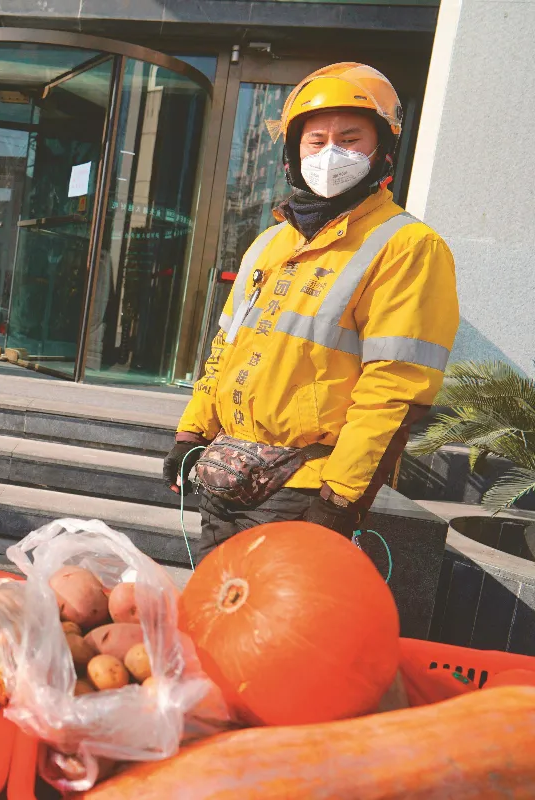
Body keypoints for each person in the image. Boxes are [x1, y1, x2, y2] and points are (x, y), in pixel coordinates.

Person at [162, 63, 459, 560]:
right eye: (315, 140)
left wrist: (342, 496)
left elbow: (395, 389)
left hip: (302, 486)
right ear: (293, 153)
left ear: (383, 150)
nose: (329, 154)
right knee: (216, 608)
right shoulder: (270, 241)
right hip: (227, 468)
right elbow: (224, 350)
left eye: (349, 138)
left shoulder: (407, 247)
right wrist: (190, 433)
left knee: (277, 626)